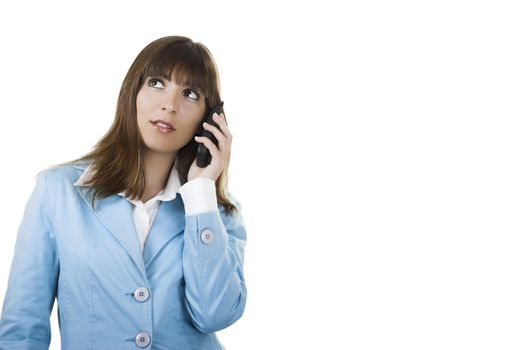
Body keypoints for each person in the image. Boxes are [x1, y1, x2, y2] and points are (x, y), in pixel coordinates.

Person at [0, 35, 247, 349]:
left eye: (190, 93)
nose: (169, 105)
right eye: (157, 83)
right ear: (132, 92)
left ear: (209, 118)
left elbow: (215, 316)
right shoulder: (57, 192)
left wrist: (201, 193)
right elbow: (22, 331)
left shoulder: (215, 212)